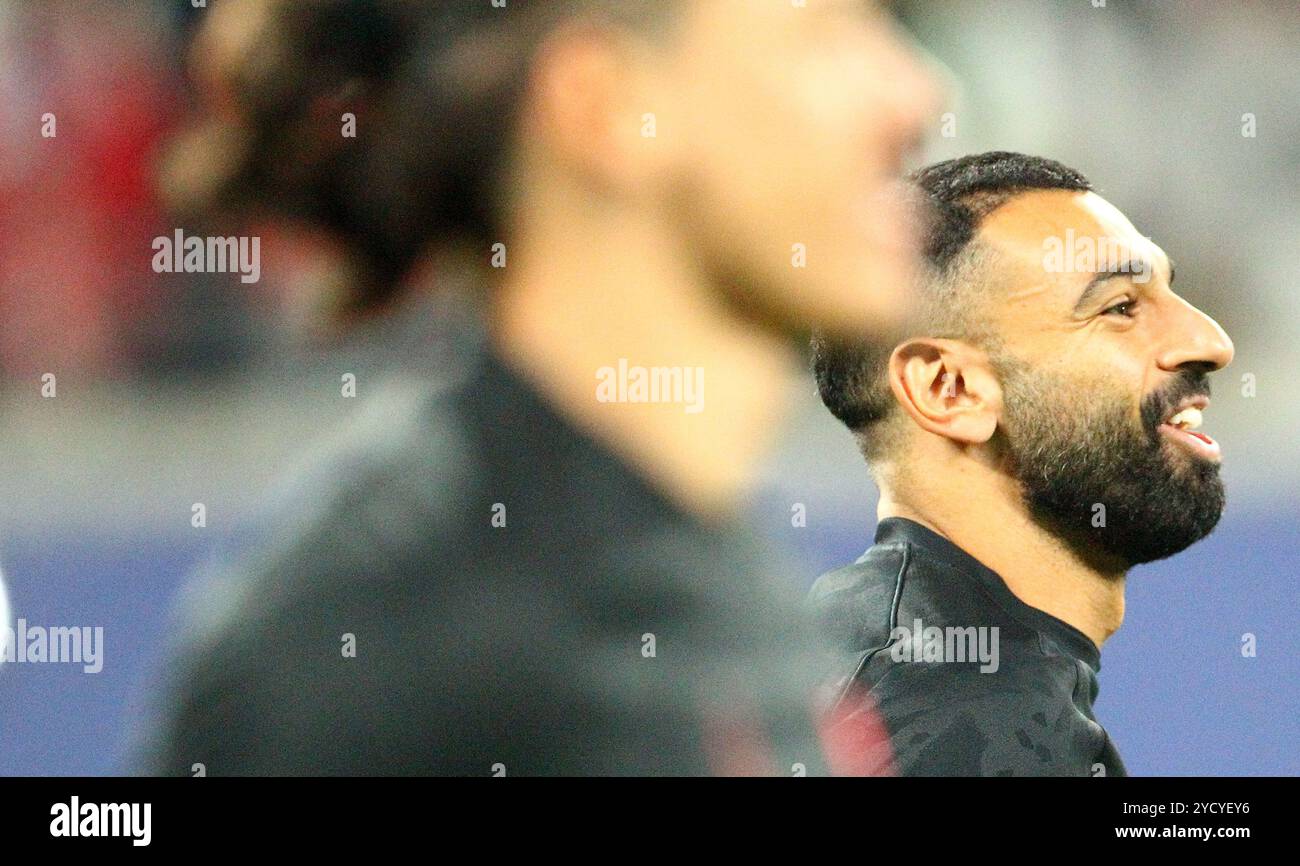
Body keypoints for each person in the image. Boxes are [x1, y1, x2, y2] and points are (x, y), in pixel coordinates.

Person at [144, 0, 942, 775]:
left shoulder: (745, 613)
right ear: (605, 101)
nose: (915, 95)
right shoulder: (356, 648)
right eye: (823, 32)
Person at [809, 151, 1235, 776]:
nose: (1211, 342)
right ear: (947, 388)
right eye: (1120, 306)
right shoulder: (970, 723)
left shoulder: (856, 641)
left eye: (1170, 290)